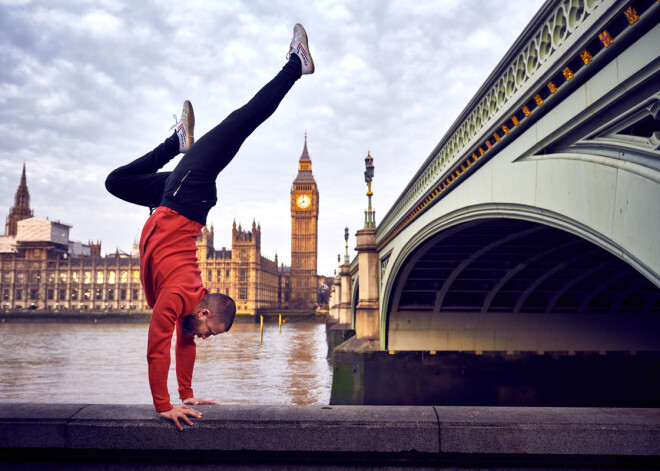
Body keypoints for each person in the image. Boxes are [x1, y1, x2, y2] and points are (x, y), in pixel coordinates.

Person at [105, 24, 314, 430]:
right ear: (203, 311)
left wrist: (185, 397)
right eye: (209, 331)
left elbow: (174, 347)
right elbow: (157, 350)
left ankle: (177, 143)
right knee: (241, 122)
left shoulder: (183, 308)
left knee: (116, 182)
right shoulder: (183, 296)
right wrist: (164, 404)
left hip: (172, 201)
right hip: (185, 199)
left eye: (209, 336)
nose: (204, 339)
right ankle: (295, 64)